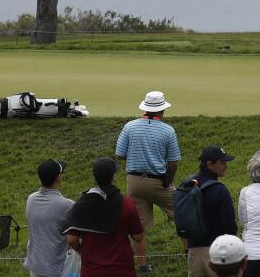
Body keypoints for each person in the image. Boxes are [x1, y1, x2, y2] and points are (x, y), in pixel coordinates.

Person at [64, 158, 146, 277]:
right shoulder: (126, 204)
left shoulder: (82, 204)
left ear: (95, 177)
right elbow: (138, 237)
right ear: (113, 177)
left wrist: (82, 251)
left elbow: (71, 239)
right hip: (122, 270)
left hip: (92, 271)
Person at [115, 90, 181, 229]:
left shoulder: (129, 126)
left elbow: (120, 154)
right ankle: (189, 251)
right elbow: (173, 163)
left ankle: (139, 252)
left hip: (133, 183)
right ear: (162, 110)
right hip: (158, 182)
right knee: (183, 214)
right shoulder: (168, 130)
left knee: (139, 227)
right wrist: (169, 180)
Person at [182, 146, 237, 277]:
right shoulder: (220, 190)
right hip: (218, 253)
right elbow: (230, 226)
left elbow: (181, 219)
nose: (225, 166)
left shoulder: (186, 185)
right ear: (209, 164)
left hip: (194, 252)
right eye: (222, 162)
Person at [25, 159, 74, 277]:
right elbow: (75, 237)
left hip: (35, 266)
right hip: (57, 269)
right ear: (58, 178)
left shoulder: (30, 199)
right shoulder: (67, 205)